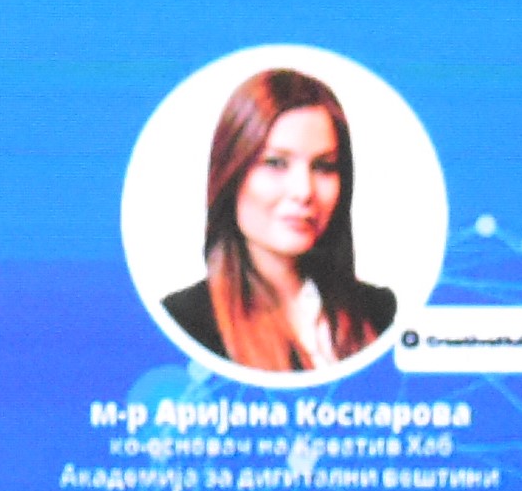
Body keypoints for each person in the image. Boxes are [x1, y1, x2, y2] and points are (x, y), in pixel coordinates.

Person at [159, 70, 394, 378]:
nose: (304, 191)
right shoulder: (185, 323)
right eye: (275, 163)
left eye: (323, 167)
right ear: (230, 175)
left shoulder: (379, 311)